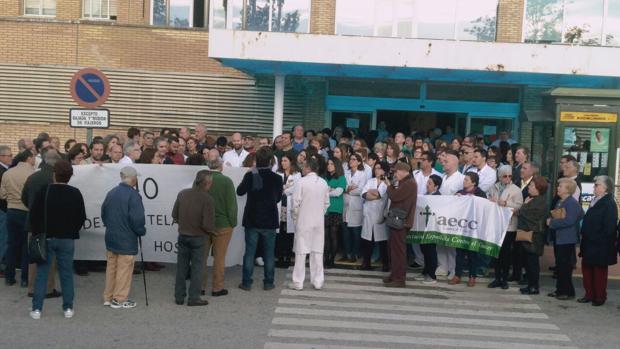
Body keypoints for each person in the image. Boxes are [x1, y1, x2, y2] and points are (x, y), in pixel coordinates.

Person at [28, 160, 86, 320]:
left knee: (42, 274)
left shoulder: (44, 191)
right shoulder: (75, 193)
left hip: (47, 237)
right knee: (66, 273)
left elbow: (34, 215)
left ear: (54, 174)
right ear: (70, 176)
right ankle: (68, 308)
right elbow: (81, 217)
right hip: (67, 239)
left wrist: (39, 232)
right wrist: (72, 230)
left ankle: (37, 309)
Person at [237, 147, 283, 291]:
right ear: (271, 161)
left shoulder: (250, 175)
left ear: (256, 160)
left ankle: (246, 282)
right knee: (269, 253)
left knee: (250, 252)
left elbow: (239, 191)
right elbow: (277, 198)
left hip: (252, 218)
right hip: (269, 219)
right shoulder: (277, 178)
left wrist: (247, 173)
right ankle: (268, 282)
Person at [101, 167, 147, 309]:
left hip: (111, 236)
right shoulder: (133, 196)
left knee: (111, 267)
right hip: (126, 238)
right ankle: (119, 299)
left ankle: (108, 297)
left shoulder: (111, 192)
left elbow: (104, 213)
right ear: (133, 179)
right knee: (124, 269)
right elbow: (137, 219)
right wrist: (141, 231)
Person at [22, 149, 63, 297]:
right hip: (49, 224)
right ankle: (48, 289)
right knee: (49, 259)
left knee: (34, 256)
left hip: (32, 222)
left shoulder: (33, 177)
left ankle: (32, 288)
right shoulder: (55, 178)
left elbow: (24, 198)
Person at [172, 170, 215, 306]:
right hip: (199, 237)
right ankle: (194, 297)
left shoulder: (182, 194)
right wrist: (213, 232)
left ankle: (179, 296)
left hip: (183, 235)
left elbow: (175, 215)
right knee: (197, 268)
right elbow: (207, 224)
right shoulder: (207, 199)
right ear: (207, 183)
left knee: (181, 267)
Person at [289, 158, 331, 290]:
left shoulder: (301, 182)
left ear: (308, 168)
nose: (302, 169)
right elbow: (326, 203)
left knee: (301, 251)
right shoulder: (323, 183)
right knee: (317, 250)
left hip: (304, 220)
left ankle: (298, 282)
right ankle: (318, 281)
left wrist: (296, 218)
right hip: (318, 221)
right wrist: (319, 213)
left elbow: (295, 203)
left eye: (303, 166)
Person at [577, 176, 618, 306]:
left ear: (605, 188)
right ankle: (589, 294)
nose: (594, 187)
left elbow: (610, 227)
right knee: (587, 268)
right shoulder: (595, 200)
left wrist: (597, 238)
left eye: (597, 185)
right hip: (589, 242)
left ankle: (600, 296)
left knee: (599, 271)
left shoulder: (609, 203)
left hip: (600, 244)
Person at [202, 154, 238, 297]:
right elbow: (231, 206)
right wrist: (232, 223)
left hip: (203, 224)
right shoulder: (226, 181)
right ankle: (217, 287)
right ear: (221, 165)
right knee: (219, 257)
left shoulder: (201, 180)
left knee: (201, 257)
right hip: (223, 224)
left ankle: (200, 287)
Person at [1, 150, 35, 286]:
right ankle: (25, 279)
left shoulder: (7, 173)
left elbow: (2, 195)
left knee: (11, 244)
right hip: (26, 212)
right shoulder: (32, 174)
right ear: (28, 159)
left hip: (11, 211)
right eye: (33, 157)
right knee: (26, 246)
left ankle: (9, 277)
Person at [487, 165, 524, 290]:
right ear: (499, 176)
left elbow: (519, 207)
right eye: (504, 176)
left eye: (510, 175)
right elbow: (487, 201)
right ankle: (497, 277)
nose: (507, 178)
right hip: (496, 224)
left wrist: (506, 203)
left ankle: (504, 278)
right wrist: (490, 202)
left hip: (509, 226)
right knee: (496, 252)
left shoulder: (516, 190)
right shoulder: (493, 188)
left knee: (506, 254)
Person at [382, 162, 417, 288]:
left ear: (403, 171)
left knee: (398, 251)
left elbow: (395, 196)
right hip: (399, 220)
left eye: (396, 172)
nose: (395, 174)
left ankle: (399, 279)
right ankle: (394, 275)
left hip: (401, 221)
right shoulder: (407, 183)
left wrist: (389, 186)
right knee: (394, 249)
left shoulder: (409, 183)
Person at [547, 178, 582, 301]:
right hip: (560, 238)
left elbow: (570, 220)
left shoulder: (571, 203)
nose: (558, 188)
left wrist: (552, 222)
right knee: (561, 266)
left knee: (565, 267)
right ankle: (561, 290)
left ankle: (567, 292)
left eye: (560, 186)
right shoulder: (562, 201)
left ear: (568, 189)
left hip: (567, 239)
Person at [449, 172, 487, 287]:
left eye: (466, 180)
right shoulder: (460, 192)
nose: (464, 181)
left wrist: (473, 199)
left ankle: (472, 276)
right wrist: (456, 199)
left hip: (474, 227)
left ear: (473, 182)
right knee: (459, 252)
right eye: (464, 179)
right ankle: (457, 275)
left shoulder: (480, 193)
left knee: (472, 253)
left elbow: (484, 208)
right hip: (461, 226)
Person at [517, 176, 548, 295]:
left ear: (538, 188)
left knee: (532, 263)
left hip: (535, 237)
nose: (529, 187)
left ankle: (534, 286)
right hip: (530, 235)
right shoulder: (533, 199)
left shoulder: (540, 201)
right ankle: (530, 284)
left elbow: (527, 215)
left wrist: (524, 206)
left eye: (531, 186)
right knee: (529, 262)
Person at [437, 150, 464, 279]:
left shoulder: (461, 178)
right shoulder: (442, 177)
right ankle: (443, 266)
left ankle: (453, 269)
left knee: (452, 244)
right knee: (440, 241)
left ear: (454, 163)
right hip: (440, 214)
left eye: (446, 161)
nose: (443, 163)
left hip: (454, 216)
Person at [360, 161, 390, 271]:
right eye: (376, 168)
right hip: (368, 214)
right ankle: (366, 263)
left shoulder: (387, 183)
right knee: (367, 240)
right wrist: (374, 193)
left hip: (380, 214)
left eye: (379, 168)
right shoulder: (370, 181)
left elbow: (379, 195)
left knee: (382, 242)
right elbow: (363, 194)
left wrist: (372, 192)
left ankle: (385, 264)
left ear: (384, 170)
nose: (377, 170)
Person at [275, 154, 301, 268]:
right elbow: (276, 187)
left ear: (291, 161)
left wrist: (284, 189)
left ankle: (287, 256)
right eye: (282, 161)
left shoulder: (297, 174)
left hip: (290, 205)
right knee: (280, 231)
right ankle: (280, 256)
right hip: (280, 206)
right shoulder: (278, 173)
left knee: (289, 232)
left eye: (285, 161)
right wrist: (284, 188)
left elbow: (296, 188)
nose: (283, 163)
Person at [341, 153, 367, 263]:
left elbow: (361, 190)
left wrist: (349, 190)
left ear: (359, 162)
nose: (351, 161)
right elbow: (343, 187)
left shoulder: (363, 174)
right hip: (345, 205)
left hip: (356, 206)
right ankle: (347, 254)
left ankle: (355, 254)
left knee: (356, 232)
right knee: (345, 232)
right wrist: (350, 188)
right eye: (350, 159)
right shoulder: (345, 173)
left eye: (354, 159)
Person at [324, 158, 347, 268]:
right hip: (325, 209)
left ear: (336, 165)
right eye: (328, 163)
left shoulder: (341, 178)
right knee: (326, 236)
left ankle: (331, 259)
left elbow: (338, 192)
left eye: (332, 164)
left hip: (335, 209)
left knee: (333, 235)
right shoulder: (324, 177)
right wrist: (330, 189)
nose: (329, 166)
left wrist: (327, 190)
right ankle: (326, 257)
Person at [0, 145, 12, 277]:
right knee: (3, 237)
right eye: (9, 155)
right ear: (1, 157)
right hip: (3, 208)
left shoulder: (6, 170)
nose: (11, 157)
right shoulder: (2, 171)